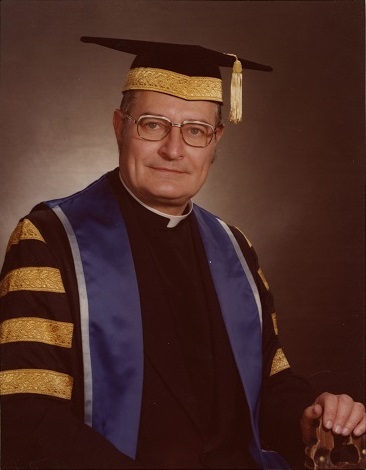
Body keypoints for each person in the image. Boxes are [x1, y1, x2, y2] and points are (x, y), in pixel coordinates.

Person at [0, 37, 364, 470]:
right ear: (120, 126)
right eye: (152, 124)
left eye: (195, 130)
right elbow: (27, 413)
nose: (174, 149)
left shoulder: (234, 248)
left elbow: (269, 384)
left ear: (216, 142)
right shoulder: (49, 239)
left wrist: (310, 417)